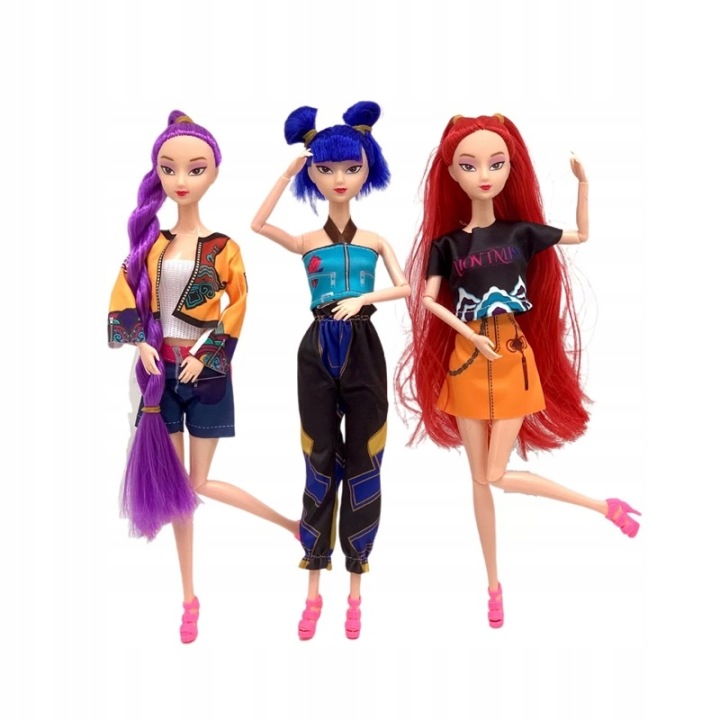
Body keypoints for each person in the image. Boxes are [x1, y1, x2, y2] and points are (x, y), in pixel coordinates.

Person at [395, 113, 640, 629]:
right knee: (478, 480)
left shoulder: (521, 233)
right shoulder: (448, 245)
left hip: (510, 357)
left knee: (495, 474)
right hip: (467, 359)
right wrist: (468, 336)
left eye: (496, 163)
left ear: (511, 167)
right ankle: (493, 585)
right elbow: (429, 301)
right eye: (469, 165)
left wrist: (584, 183)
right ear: (452, 173)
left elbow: (582, 235)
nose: (484, 174)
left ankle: (603, 506)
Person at [108, 111, 297, 644]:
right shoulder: (150, 244)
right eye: (169, 169)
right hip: (158, 376)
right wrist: (141, 342)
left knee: (197, 483)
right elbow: (124, 294)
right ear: (158, 174)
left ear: (213, 173)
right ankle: (189, 597)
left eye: (195, 169)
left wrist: (207, 352)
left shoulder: (224, 247)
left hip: (207, 373)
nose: (182, 180)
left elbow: (238, 303)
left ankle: (289, 524)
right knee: (177, 491)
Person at [251, 101, 410, 640]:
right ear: (313, 174)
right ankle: (313, 585)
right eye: (326, 168)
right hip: (317, 347)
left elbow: (407, 287)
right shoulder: (307, 242)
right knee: (318, 456)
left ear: (367, 170)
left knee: (366, 455)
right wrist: (287, 173)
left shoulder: (375, 241)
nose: (339, 179)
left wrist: (364, 298)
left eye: (351, 168)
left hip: (364, 345)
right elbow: (257, 224)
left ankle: (357, 584)